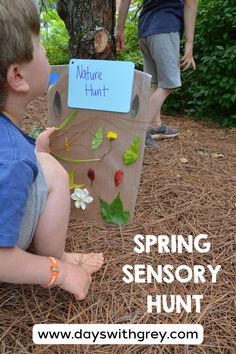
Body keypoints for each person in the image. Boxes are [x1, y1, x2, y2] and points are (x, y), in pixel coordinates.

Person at [0, 0, 104, 299]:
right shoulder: (13, 158)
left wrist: (37, 150)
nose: (45, 50)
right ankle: (55, 256)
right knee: (53, 171)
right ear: (18, 77)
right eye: (39, 43)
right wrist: (58, 272)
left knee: (41, 159)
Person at [116, 0, 198, 147]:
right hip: (165, 27)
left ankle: (155, 125)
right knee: (169, 84)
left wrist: (120, 29)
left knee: (155, 83)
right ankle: (138, 130)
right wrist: (189, 42)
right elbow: (191, 3)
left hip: (145, 29)